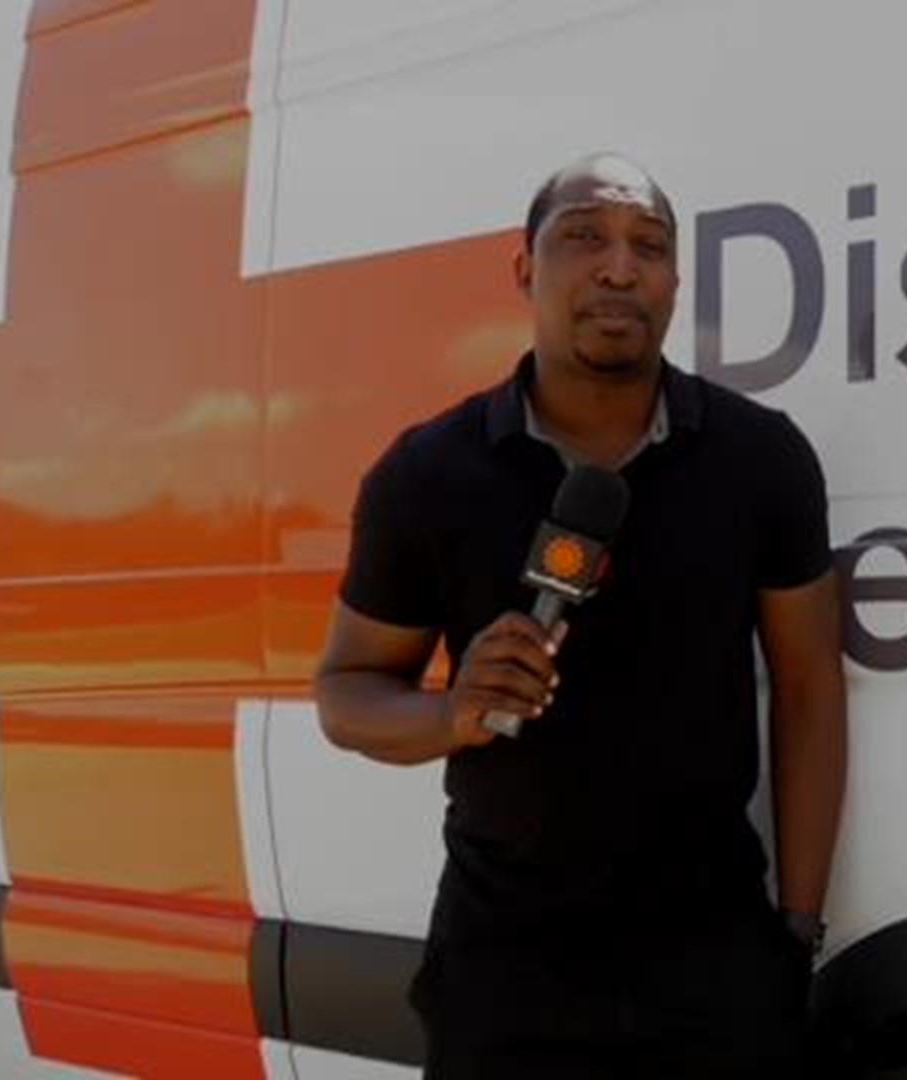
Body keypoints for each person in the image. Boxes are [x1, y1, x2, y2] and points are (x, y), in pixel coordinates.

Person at [313, 152, 848, 1078]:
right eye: (584, 238)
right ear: (525, 269)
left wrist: (795, 929)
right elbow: (347, 690)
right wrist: (453, 714)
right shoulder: (427, 474)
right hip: (504, 969)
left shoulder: (761, 458)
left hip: (713, 960)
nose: (618, 266)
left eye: (649, 245)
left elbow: (807, 688)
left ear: (676, 281)